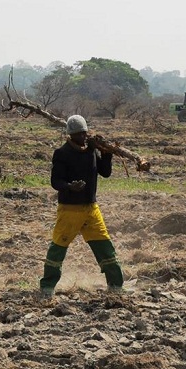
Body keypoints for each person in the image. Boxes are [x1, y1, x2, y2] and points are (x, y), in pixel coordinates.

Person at [39, 115, 123, 298]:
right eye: (79, 135)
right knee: (58, 247)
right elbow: (55, 181)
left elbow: (105, 173)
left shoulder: (91, 151)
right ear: (70, 136)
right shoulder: (62, 153)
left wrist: (106, 152)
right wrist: (70, 186)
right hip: (69, 209)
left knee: (104, 245)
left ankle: (116, 287)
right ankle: (46, 289)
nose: (83, 138)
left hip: (91, 209)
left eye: (85, 134)